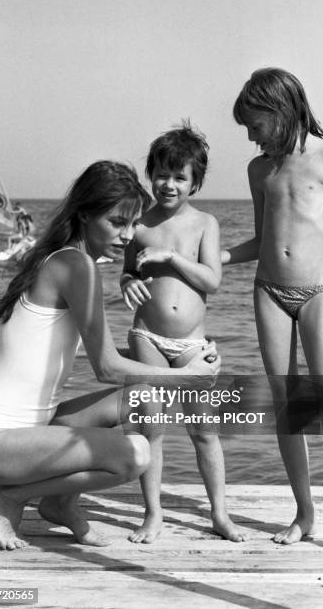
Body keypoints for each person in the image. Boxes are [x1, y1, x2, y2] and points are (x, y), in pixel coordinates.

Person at [0, 161, 220, 551]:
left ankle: (61, 501)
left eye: (133, 224)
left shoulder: (64, 259)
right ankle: (10, 496)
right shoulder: (76, 265)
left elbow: (100, 352)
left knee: (145, 399)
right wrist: (190, 377)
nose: (128, 235)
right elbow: (106, 368)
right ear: (85, 214)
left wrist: (182, 357)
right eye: (117, 223)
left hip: (34, 426)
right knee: (135, 455)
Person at [222, 68, 323, 563]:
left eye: (254, 124)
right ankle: (305, 512)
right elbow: (262, 238)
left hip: (318, 293)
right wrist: (214, 258)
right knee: (287, 402)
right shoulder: (259, 171)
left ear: (279, 109)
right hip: (268, 292)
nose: (249, 136)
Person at [121, 123, 248, 544]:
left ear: (195, 183)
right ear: (150, 173)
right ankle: (153, 514)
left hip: (193, 343)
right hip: (148, 337)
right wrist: (127, 282)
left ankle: (220, 514)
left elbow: (212, 281)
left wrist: (172, 257)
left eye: (180, 177)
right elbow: (126, 271)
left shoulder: (205, 224)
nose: (168, 184)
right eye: (161, 174)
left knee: (204, 429)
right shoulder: (139, 224)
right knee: (151, 424)